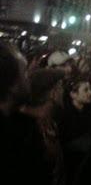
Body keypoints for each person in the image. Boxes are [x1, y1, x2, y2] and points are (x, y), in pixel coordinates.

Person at [0, 42, 52, 185]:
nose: (29, 76)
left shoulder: (23, 125)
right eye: (24, 72)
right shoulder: (16, 140)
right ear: (11, 86)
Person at [20, 68, 66, 185]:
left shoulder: (51, 123)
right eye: (61, 86)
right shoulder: (27, 127)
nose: (63, 91)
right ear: (53, 93)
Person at [59, 78, 91, 184]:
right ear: (73, 94)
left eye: (90, 89)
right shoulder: (65, 117)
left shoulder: (90, 113)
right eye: (86, 90)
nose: (90, 92)